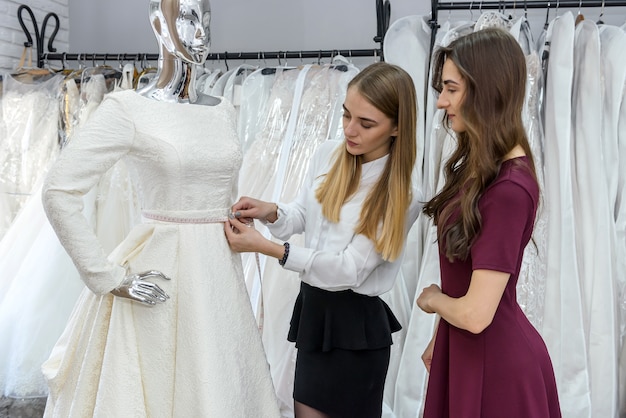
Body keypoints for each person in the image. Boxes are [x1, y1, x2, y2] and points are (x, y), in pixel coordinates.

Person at [40, 0, 281, 416]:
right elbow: (58, 190)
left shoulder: (221, 110)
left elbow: (222, 187)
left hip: (219, 279)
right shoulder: (129, 109)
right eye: (188, 19)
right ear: (158, 24)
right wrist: (106, 277)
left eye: (207, 21)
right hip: (161, 275)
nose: (201, 35)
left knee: (217, 385)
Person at [224, 61, 423, 418]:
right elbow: (301, 215)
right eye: (347, 115)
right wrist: (271, 211)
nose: (350, 130)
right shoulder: (328, 154)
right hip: (315, 318)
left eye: (366, 123)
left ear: (397, 128)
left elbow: (347, 271)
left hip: (355, 330)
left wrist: (267, 248)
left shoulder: (402, 194)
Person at [415, 27, 561, 417]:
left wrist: (431, 300)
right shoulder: (483, 171)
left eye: (450, 89)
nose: (441, 101)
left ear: (485, 90)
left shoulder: (509, 188)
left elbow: (477, 315)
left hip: (497, 368)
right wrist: (439, 337)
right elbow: (464, 279)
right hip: (466, 351)